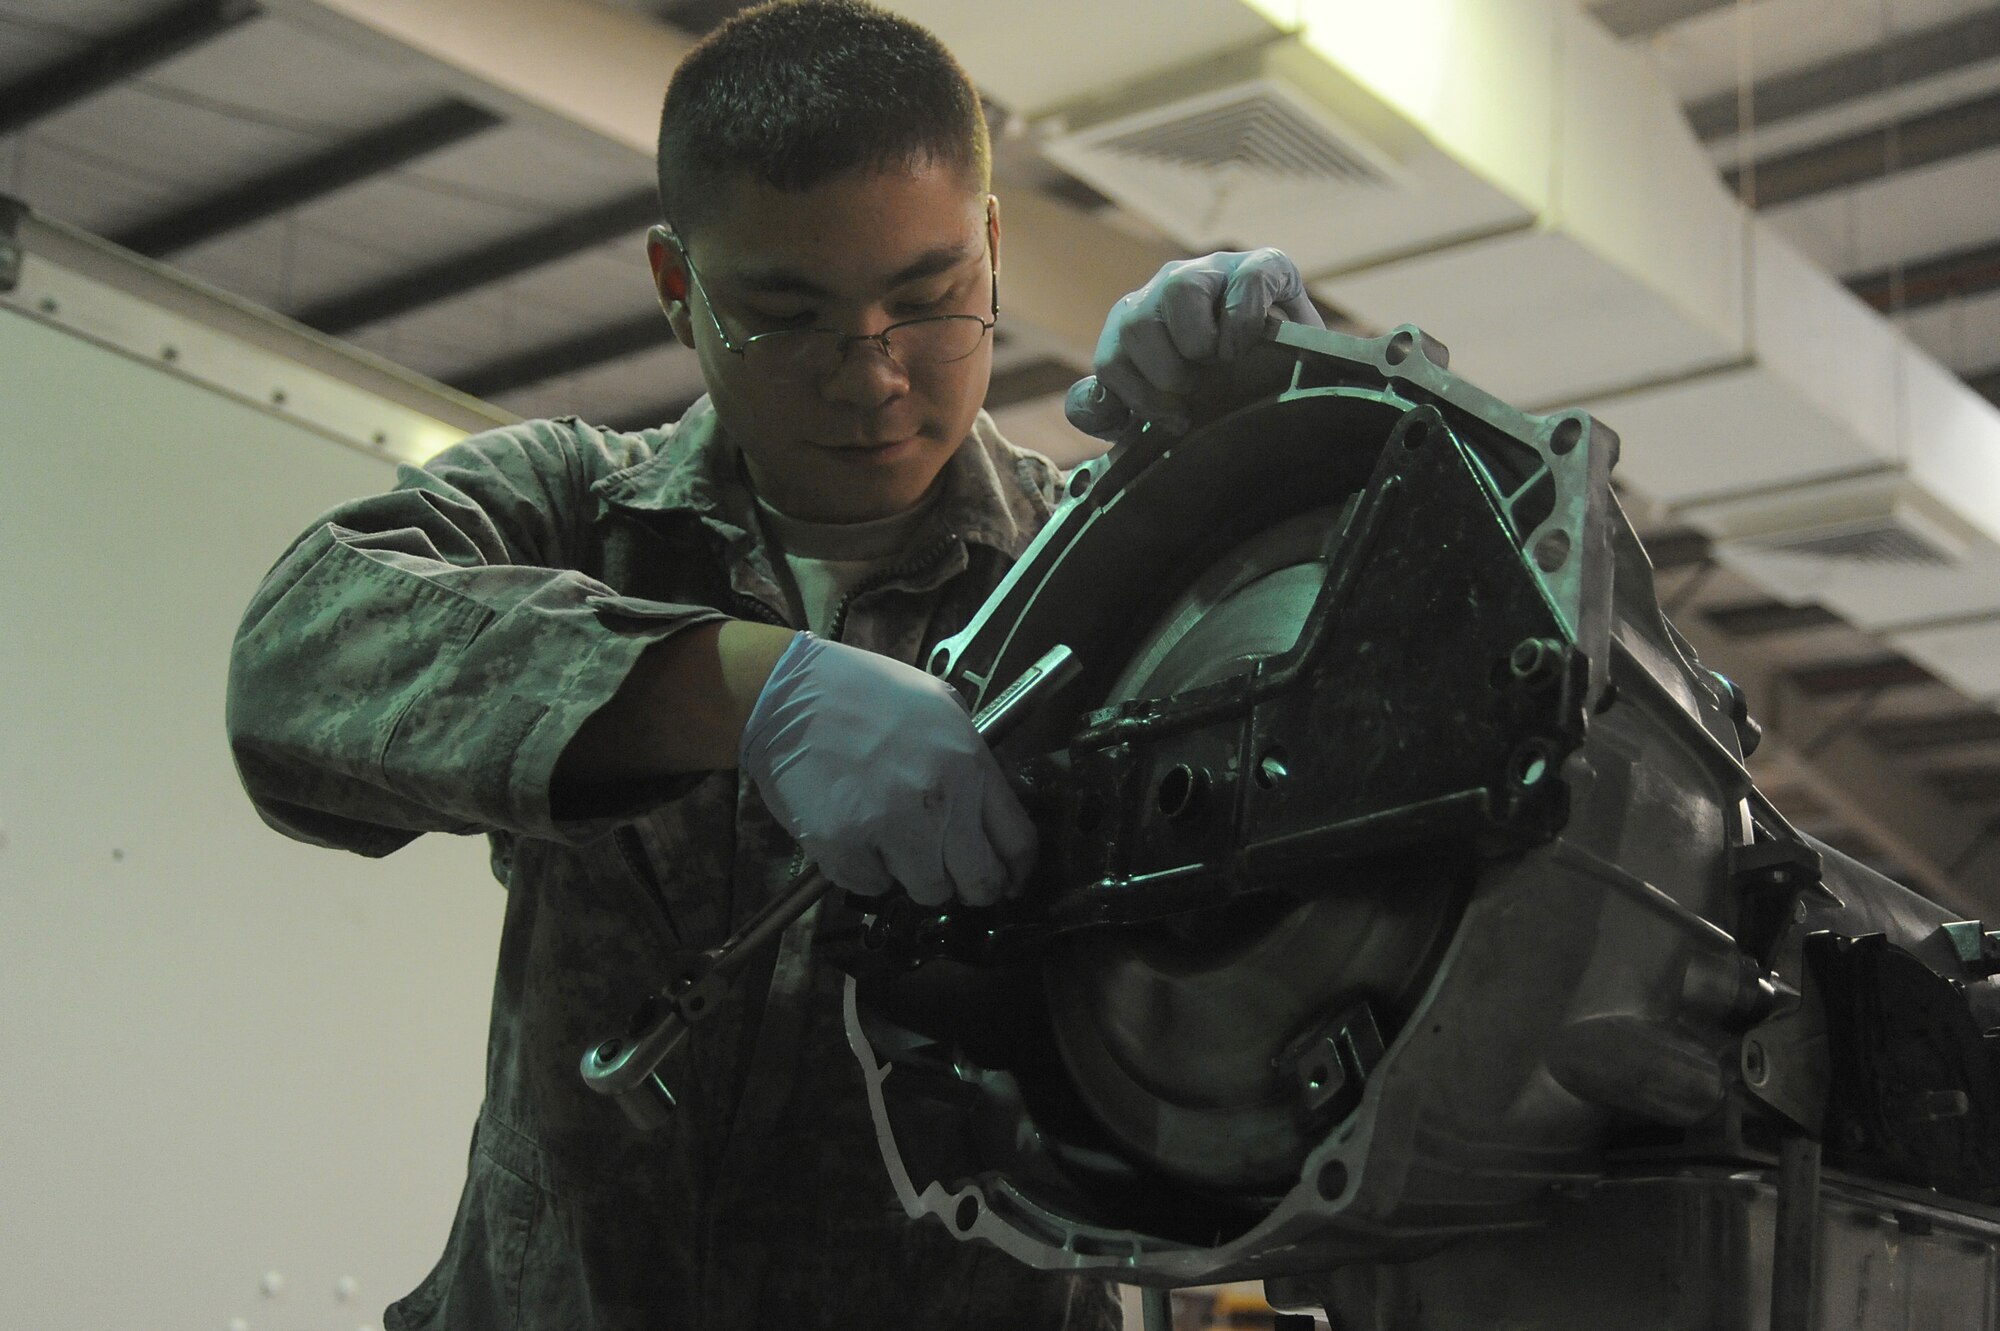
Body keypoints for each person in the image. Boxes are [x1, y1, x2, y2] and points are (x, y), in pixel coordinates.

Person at [226, 2, 1321, 1327]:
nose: (870, 378)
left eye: (928, 301)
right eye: (787, 317)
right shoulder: (576, 509)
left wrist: (1281, 467)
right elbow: (301, 654)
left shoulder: (1102, 584)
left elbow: (1368, 829)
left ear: (990, 245)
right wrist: (739, 691)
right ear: (676, 286)